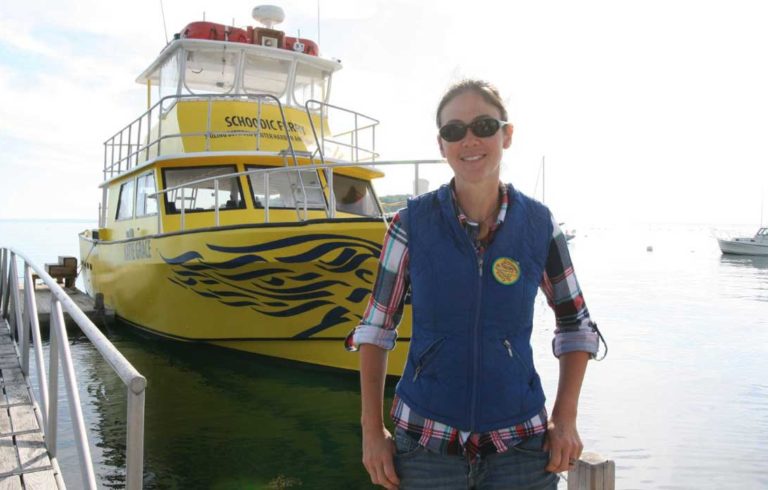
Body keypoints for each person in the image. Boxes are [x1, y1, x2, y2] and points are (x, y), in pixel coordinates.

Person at [346, 79, 601, 489]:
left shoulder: (539, 226)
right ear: (441, 144)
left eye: (484, 126)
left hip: (520, 450)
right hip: (424, 449)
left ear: (507, 134)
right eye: (454, 131)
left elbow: (576, 326)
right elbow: (376, 330)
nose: (469, 140)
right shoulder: (408, 226)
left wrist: (565, 417)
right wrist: (372, 432)